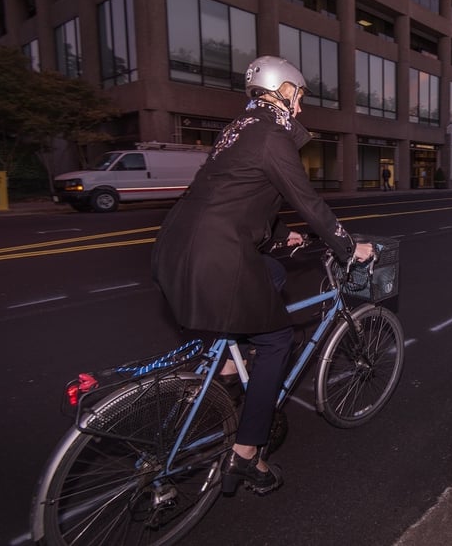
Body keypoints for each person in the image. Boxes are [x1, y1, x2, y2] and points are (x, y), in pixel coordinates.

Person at [151, 55, 373, 496]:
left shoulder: (239, 129)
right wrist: (349, 246)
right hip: (216, 257)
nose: (302, 107)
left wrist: (281, 236)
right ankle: (247, 453)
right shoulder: (274, 135)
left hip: (176, 248)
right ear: (284, 90)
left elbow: (235, 194)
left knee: (269, 270)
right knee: (277, 340)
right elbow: (308, 201)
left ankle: (230, 366)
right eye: (300, 96)